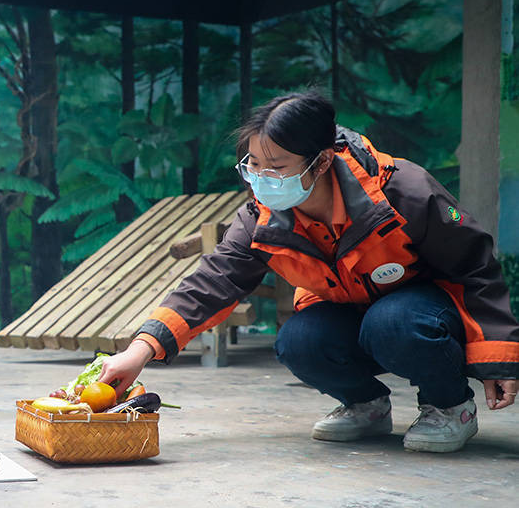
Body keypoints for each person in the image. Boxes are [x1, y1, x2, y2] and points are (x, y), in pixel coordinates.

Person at [99, 91, 519, 453]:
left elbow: (474, 267)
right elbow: (212, 283)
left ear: (320, 163)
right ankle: (366, 405)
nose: (262, 178)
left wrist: (499, 359)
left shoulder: (403, 192)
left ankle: (449, 407)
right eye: (253, 164)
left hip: (422, 314)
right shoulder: (261, 219)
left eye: (277, 166)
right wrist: (138, 354)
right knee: (298, 340)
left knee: (392, 321)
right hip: (345, 310)